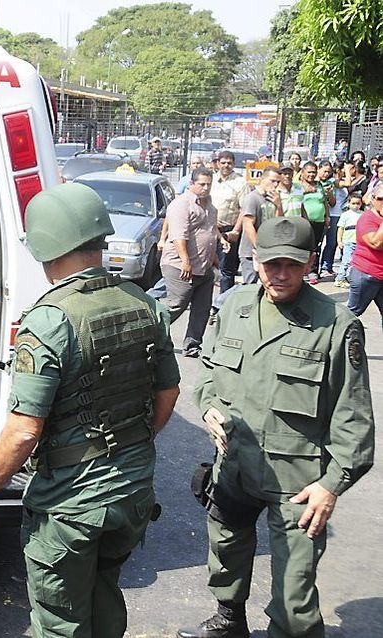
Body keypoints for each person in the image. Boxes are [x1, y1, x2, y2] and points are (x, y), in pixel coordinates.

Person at [0, 182, 180, 638]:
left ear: (46, 247)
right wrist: (130, 449)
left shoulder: (49, 319)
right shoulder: (144, 303)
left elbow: (23, 432)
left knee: (60, 624)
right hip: (133, 493)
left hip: (72, 507)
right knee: (102, 596)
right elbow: (168, 394)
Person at [178, 216, 374, 638]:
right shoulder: (234, 306)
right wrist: (209, 406)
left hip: (299, 482)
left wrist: (332, 485)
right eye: (271, 264)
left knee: (294, 598)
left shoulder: (336, 326)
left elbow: (354, 419)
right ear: (257, 260)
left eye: (292, 265)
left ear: (308, 264)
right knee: (227, 551)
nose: (280, 274)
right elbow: (209, 373)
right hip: (234, 465)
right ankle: (229, 621)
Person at [161, 167, 219, 357]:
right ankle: (150, 333)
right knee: (176, 305)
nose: (205, 188)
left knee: (202, 309)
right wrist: (186, 261)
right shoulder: (181, 205)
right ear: (192, 184)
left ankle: (192, 345)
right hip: (180, 265)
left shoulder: (210, 206)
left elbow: (210, 233)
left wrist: (214, 258)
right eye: (201, 184)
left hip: (204, 266)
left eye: (208, 184)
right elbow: (179, 235)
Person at [210, 151, 251, 293]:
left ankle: (222, 306)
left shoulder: (240, 183)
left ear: (233, 164)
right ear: (218, 163)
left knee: (226, 270)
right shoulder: (211, 180)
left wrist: (236, 231)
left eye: (229, 163)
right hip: (208, 230)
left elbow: (244, 209)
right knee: (204, 267)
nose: (226, 165)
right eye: (223, 162)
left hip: (228, 231)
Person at [346, 183, 383, 327]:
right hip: (367, 275)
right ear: (373, 200)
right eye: (381, 199)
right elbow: (376, 243)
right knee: (351, 313)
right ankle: (331, 341)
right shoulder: (366, 219)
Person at [238, 167, 283, 284]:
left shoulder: (273, 197)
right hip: (251, 252)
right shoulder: (252, 198)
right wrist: (258, 248)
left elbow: (278, 223)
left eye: (278, 182)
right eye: (272, 181)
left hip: (268, 250)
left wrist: (279, 205)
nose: (276, 184)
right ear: (262, 179)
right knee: (250, 285)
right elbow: (248, 225)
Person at [299, 161, 333, 284]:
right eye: (309, 172)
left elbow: (325, 202)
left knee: (316, 247)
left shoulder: (319, 185)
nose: (312, 175)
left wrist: (327, 217)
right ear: (303, 173)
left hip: (319, 221)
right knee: (303, 246)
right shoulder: (298, 186)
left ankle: (313, 271)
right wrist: (306, 192)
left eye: (314, 172)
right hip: (304, 222)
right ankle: (301, 271)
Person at [318, 161, 344, 278]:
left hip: (330, 216)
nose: (326, 174)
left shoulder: (330, 184)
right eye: (324, 171)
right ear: (319, 169)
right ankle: (312, 269)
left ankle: (326, 266)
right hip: (317, 217)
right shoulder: (313, 183)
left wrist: (330, 194)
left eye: (329, 172)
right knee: (316, 243)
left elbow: (332, 203)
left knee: (331, 242)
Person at [334, 194, 364, 288]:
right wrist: (339, 241)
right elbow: (340, 229)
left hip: (359, 242)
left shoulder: (363, 214)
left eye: (358, 203)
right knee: (346, 261)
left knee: (357, 262)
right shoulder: (345, 215)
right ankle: (340, 279)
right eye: (353, 203)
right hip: (348, 241)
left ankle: (352, 278)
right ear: (349, 203)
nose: (355, 205)